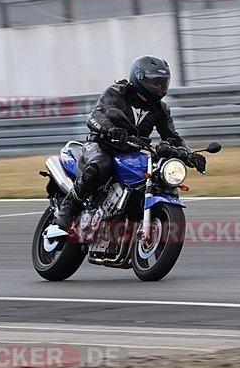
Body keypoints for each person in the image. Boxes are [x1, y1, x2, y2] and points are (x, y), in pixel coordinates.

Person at [52, 55, 206, 234]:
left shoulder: (161, 109)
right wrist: (109, 129)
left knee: (157, 175)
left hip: (131, 150)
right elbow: (95, 116)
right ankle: (69, 207)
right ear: (140, 78)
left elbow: (172, 137)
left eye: (163, 82)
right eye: (155, 82)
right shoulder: (117, 92)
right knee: (101, 165)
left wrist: (189, 155)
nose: (159, 86)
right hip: (102, 144)